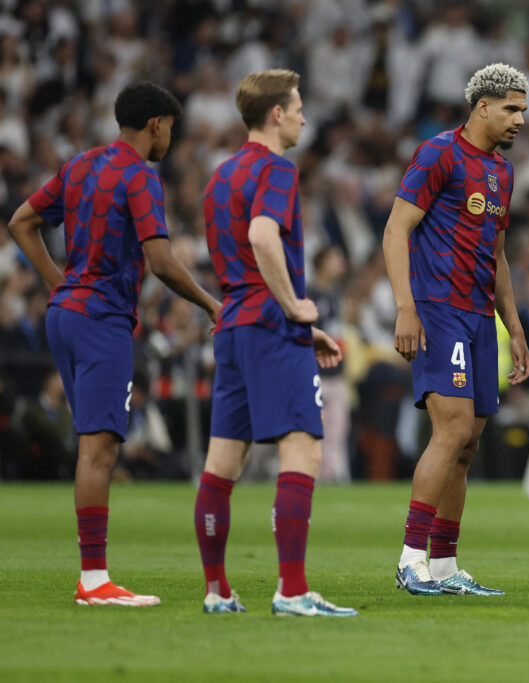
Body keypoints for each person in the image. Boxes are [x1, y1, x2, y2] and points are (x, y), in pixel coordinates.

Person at [6, 82, 221, 606]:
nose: (171, 134)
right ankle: (94, 581)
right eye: (170, 125)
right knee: (100, 449)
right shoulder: (141, 176)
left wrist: (59, 285)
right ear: (155, 125)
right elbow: (163, 262)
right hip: (101, 318)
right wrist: (214, 305)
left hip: (67, 315)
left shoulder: (79, 165)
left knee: (91, 445)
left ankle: (93, 577)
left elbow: (21, 222)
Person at [194, 69, 356, 617]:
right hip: (269, 322)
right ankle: (291, 589)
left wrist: (295, 322)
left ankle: (217, 591)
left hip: (235, 324)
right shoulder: (277, 171)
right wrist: (294, 308)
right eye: (299, 107)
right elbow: (263, 236)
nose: (305, 116)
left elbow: (238, 258)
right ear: (277, 114)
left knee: (221, 465)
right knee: (304, 451)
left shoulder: (219, 178)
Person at [383, 63, 529, 596]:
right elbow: (396, 228)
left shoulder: (503, 173)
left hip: (477, 316)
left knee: (468, 442)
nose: (520, 119)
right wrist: (406, 308)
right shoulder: (439, 152)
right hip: (438, 307)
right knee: (451, 430)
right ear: (483, 106)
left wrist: (512, 325)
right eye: (512, 108)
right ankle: (409, 560)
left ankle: (444, 565)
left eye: (524, 111)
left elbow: (497, 256)